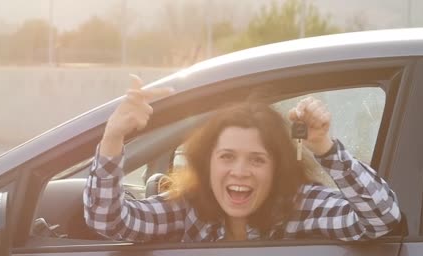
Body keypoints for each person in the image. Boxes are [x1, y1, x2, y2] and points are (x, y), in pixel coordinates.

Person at [83, 75, 401, 242]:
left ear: (277, 168)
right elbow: (109, 221)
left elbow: (382, 219)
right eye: (227, 157)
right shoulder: (187, 209)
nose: (240, 171)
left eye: (257, 160)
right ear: (208, 164)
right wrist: (112, 138)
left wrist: (325, 147)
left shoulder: (302, 207)